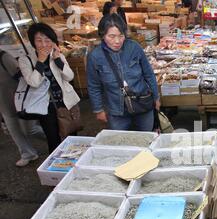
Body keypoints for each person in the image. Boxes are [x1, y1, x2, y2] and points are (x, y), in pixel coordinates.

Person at [87, 14, 160, 131]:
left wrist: (156, 98)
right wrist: (98, 109)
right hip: (116, 110)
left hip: (142, 104)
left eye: (121, 36)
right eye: (111, 36)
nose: (117, 41)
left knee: (146, 139)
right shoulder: (95, 56)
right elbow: (94, 85)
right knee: (121, 143)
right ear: (102, 35)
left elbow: (149, 74)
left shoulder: (134, 47)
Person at [19, 23, 80, 153]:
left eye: (47, 40)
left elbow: (69, 77)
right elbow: (34, 82)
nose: (44, 44)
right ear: (32, 42)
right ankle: (57, 170)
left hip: (64, 103)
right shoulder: (26, 60)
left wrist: (57, 59)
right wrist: (40, 62)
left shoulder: (57, 55)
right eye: (39, 40)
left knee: (72, 137)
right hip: (45, 107)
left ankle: (74, 164)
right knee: (53, 140)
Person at [0, 49, 40, 167]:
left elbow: (22, 77)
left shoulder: (4, 57)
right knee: (14, 131)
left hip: (19, 101)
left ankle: (57, 137)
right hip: (3, 104)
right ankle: (27, 154)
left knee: (30, 130)